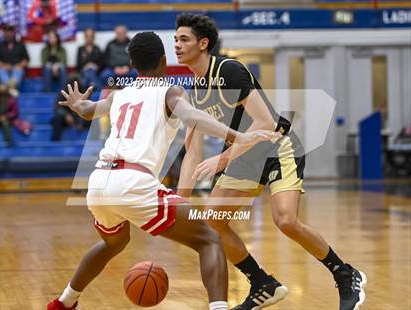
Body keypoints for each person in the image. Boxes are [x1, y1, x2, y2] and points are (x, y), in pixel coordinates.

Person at [47, 31, 279, 310]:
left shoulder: (122, 94)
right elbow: (194, 116)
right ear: (164, 60)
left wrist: (77, 104)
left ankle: (64, 302)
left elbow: (87, 110)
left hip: (98, 182)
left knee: (114, 242)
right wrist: (237, 136)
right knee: (209, 238)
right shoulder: (170, 91)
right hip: (133, 181)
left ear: (132, 64)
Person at [174, 13, 367, 310]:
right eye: (175, 39)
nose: (177, 44)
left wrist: (224, 157)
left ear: (204, 43)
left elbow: (265, 122)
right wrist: (177, 204)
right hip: (243, 156)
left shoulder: (228, 71)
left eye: (183, 39)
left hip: (276, 145)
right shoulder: (194, 93)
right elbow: (193, 155)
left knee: (286, 221)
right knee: (213, 223)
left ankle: (345, 274)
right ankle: (263, 284)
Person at [51, 76, 91, 141]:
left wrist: (80, 122)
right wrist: (66, 115)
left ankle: (93, 141)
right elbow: (57, 107)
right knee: (58, 117)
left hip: (80, 116)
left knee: (93, 116)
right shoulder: (63, 92)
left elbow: (88, 108)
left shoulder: (83, 91)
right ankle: (55, 142)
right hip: (66, 117)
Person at [0, 24, 29, 93]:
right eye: (6, 32)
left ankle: (8, 88)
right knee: (0, 71)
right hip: (4, 69)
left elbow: (26, 59)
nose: (8, 34)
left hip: (17, 69)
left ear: (13, 33)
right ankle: (11, 88)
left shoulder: (20, 45)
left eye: (10, 32)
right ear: (3, 33)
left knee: (19, 71)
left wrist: (19, 65)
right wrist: (3, 65)